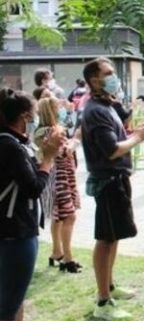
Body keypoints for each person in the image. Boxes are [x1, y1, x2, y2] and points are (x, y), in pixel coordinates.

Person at [80, 58, 144, 320]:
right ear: (94, 80)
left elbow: (119, 139)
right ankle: (103, 302)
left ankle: (109, 287)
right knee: (105, 238)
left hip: (116, 180)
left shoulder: (105, 107)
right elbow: (113, 150)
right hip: (108, 181)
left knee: (113, 235)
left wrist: (136, 133)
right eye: (107, 73)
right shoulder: (95, 111)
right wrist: (139, 137)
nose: (113, 77)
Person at [0, 89, 63, 321]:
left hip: (13, 228)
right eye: (34, 114)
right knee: (8, 300)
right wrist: (48, 158)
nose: (36, 118)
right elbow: (32, 187)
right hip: (14, 231)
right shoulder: (8, 145)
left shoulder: (12, 142)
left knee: (15, 291)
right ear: (24, 116)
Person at [36, 98, 82, 273]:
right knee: (69, 216)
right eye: (58, 107)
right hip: (60, 176)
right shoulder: (51, 132)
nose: (61, 109)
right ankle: (68, 258)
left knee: (59, 217)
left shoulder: (42, 131)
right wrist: (76, 139)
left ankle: (57, 252)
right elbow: (63, 151)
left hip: (57, 175)